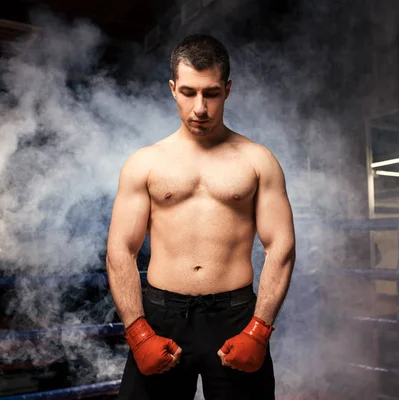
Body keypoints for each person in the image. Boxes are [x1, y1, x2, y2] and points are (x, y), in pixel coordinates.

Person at [106, 33, 296, 400]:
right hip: (162, 315)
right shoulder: (145, 162)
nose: (200, 108)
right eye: (189, 92)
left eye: (210, 93)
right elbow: (120, 250)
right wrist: (137, 332)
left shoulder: (258, 160)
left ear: (227, 89)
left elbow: (282, 247)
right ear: (172, 89)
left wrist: (259, 329)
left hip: (234, 316)